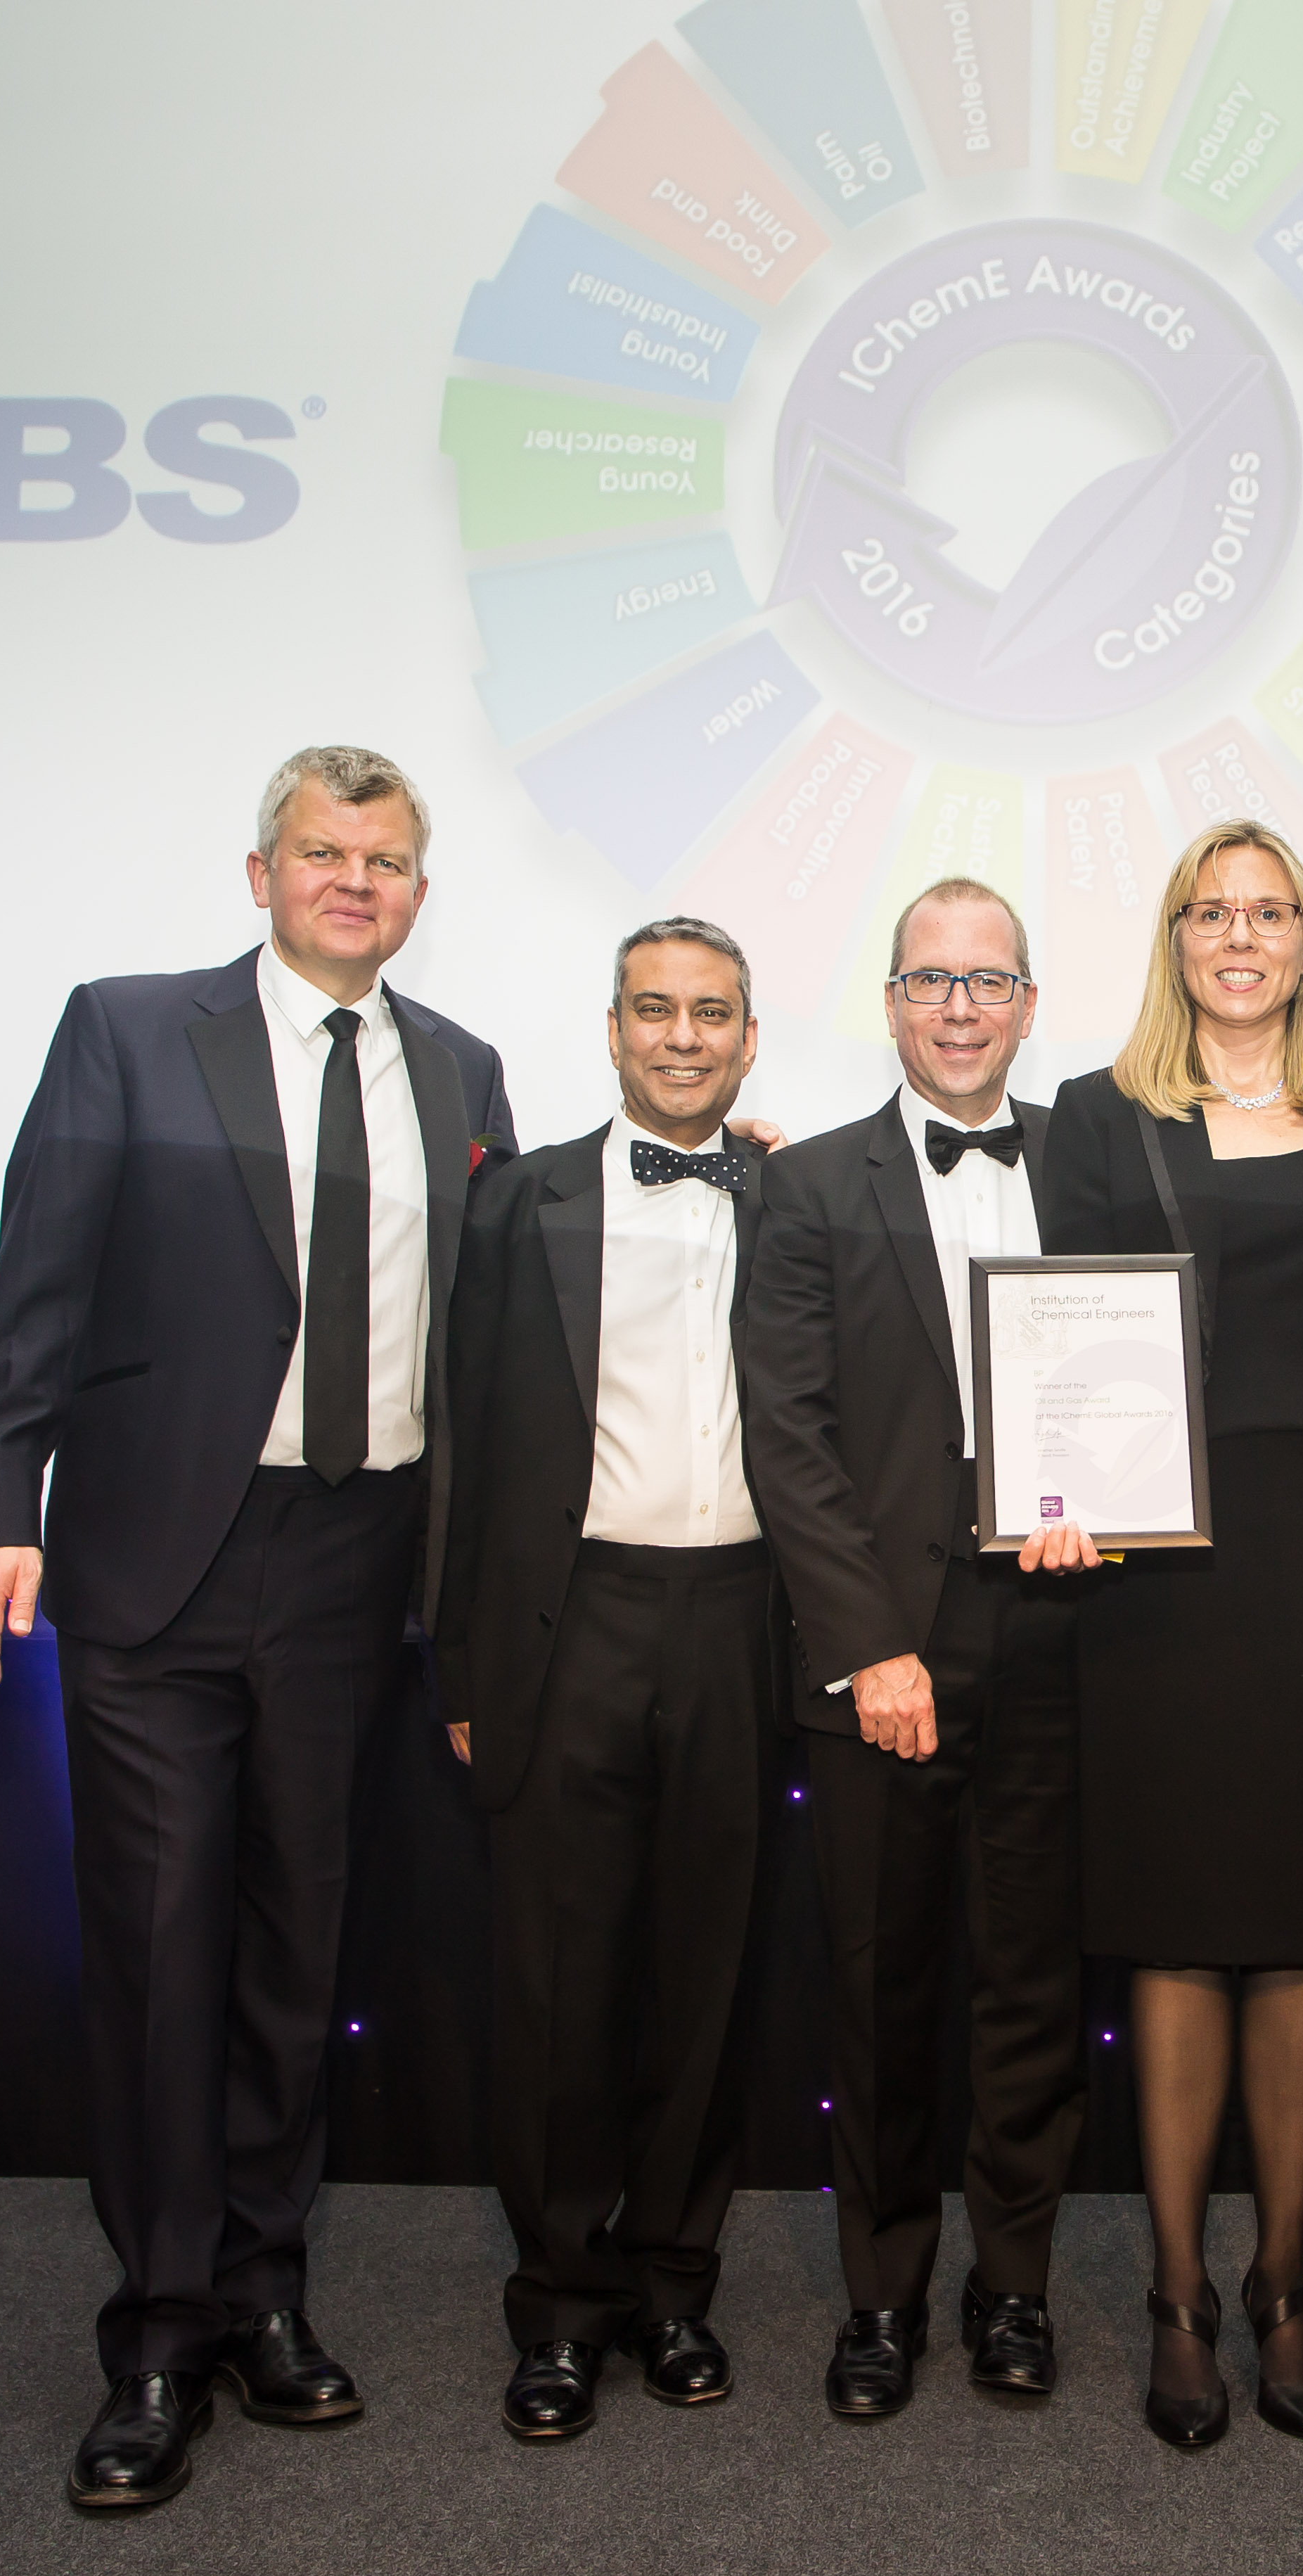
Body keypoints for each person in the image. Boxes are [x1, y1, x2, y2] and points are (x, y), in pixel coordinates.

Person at [0, 746, 515, 2511]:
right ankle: (159, 2334)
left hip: (359, 1562)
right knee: (163, 1945)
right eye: (327, 853)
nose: (359, 881)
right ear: (259, 871)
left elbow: (503, 1306)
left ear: (421, 886)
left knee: (297, 1950)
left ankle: (269, 2293)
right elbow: (35, 1274)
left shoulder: (466, 1070)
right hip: (159, 1564)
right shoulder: (127, 1029)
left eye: (391, 859)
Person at [1024, 820, 1303, 2450]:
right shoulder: (1097, 1120)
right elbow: (1040, 1319)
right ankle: (1179, 2291)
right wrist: (1046, 1485)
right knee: (1177, 1932)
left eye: (1269, 911)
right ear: (1174, 936)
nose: (1239, 935)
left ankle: (1286, 2277)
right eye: (1210, 910)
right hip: (1153, 1568)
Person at [737, 877, 1086, 2418]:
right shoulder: (806, 1185)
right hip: (881, 1655)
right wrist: (869, 1644)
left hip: (1063, 1640)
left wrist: (1112, 1508)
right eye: (930, 980)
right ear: (889, 1002)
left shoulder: (1092, 1165)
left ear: (1026, 1004)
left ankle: (1012, 2286)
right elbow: (790, 1438)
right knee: (879, 1991)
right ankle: (880, 2295)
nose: (959, 1007)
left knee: (1028, 1984)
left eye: (988, 980)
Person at [431, 916, 777, 2444]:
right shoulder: (519, 1205)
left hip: (741, 1621)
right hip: (567, 1623)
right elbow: (461, 1435)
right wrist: (457, 1653)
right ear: (615, 1029)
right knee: (565, 1982)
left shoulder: (797, 1192)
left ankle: (675, 2282)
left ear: (750, 1038)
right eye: (656, 1011)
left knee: (705, 1978)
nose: (685, 1037)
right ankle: (563, 2305)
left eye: (712, 1014)